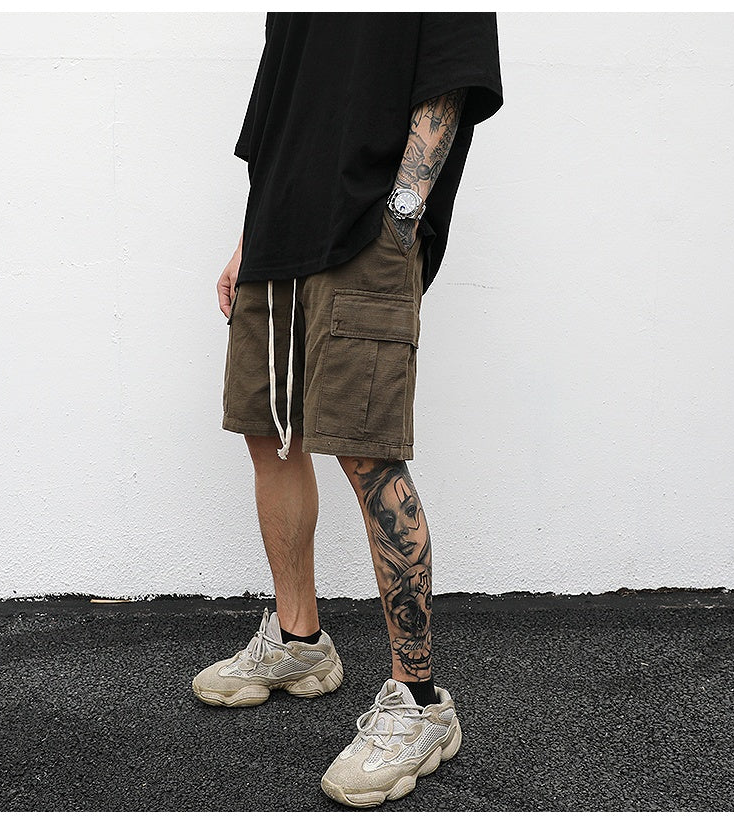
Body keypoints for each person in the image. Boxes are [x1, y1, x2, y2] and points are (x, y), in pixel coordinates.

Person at [192, 12, 503, 808]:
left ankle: (420, 702)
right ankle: (300, 640)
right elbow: (279, 113)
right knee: (269, 434)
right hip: (277, 235)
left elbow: (451, 77)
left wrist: (402, 216)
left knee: (367, 452)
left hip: (368, 232)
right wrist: (248, 237)